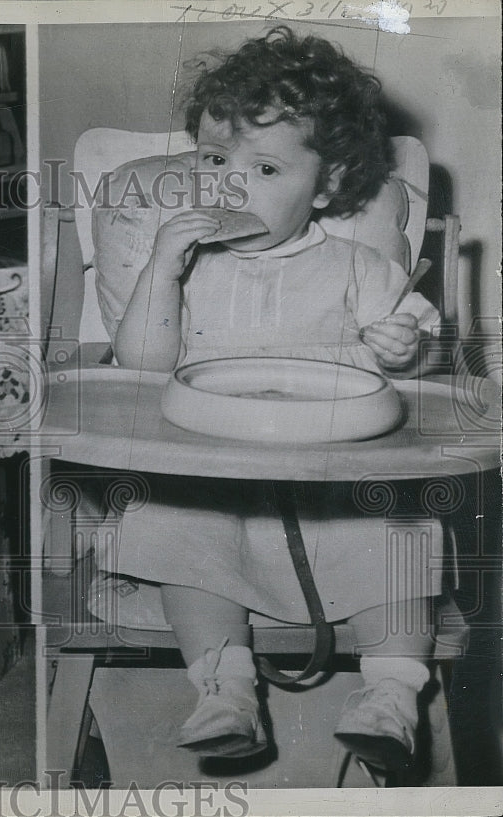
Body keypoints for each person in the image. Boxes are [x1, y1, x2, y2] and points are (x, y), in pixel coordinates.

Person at [112, 27, 440, 768]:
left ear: (325, 187)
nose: (229, 184)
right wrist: (161, 269)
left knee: (404, 529)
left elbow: (414, 348)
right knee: (173, 524)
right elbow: (140, 363)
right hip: (221, 486)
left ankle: (391, 694)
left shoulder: (356, 264)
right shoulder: (192, 265)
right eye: (213, 160)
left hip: (339, 488)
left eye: (263, 167)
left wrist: (403, 346)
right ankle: (225, 689)